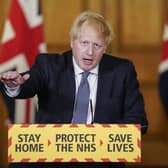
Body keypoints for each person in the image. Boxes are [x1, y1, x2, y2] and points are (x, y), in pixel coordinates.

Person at [0, 11, 148, 168]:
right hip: (53, 151)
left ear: (104, 48)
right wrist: (15, 85)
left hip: (98, 154)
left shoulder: (122, 71)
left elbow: (138, 122)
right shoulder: (49, 65)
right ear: (72, 42)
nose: (90, 52)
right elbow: (30, 83)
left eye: (96, 45)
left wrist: (103, 133)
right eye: (84, 43)